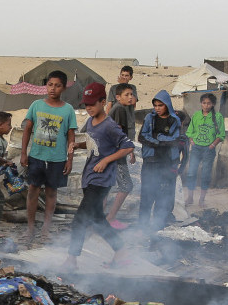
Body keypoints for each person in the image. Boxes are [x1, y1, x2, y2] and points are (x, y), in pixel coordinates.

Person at [66, 83, 132, 268]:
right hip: (90, 176)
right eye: (85, 105)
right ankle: (121, 252)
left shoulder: (109, 125)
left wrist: (106, 160)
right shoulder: (90, 122)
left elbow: (127, 147)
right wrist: (77, 146)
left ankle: (71, 260)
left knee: (80, 219)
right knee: (97, 220)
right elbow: (93, 143)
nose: (88, 108)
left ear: (103, 102)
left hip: (101, 180)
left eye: (92, 104)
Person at [20, 70, 77, 244]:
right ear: (46, 86)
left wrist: (70, 159)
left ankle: (46, 229)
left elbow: (71, 136)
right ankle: (30, 228)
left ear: (64, 87)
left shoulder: (68, 110)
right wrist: (24, 152)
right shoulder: (36, 105)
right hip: (37, 156)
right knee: (32, 191)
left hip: (57, 159)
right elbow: (28, 129)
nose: (53, 89)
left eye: (57, 85)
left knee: (52, 193)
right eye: (50, 84)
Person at [136, 90, 184, 233]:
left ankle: (158, 228)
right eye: (155, 105)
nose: (157, 108)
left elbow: (175, 140)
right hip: (150, 162)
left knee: (163, 196)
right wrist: (160, 140)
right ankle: (142, 227)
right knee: (147, 195)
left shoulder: (174, 120)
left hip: (167, 163)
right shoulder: (149, 118)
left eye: (160, 105)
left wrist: (157, 138)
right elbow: (142, 137)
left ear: (167, 105)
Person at [183, 92, 226, 208]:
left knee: (206, 174)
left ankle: (202, 199)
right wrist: (192, 141)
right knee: (191, 173)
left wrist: (212, 145)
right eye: (204, 103)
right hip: (196, 148)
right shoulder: (196, 115)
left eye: (209, 103)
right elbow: (190, 131)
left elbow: (221, 134)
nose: (206, 106)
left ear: (213, 104)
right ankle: (190, 197)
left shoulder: (217, 117)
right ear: (201, 104)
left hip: (208, 149)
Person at [105, 83, 139, 228]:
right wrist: (128, 150)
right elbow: (118, 133)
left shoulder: (121, 109)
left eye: (131, 94)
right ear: (118, 97)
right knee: (126, 185)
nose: (130, 97)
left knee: (106, 186)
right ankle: (110, 218)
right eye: (127, 95)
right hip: (116, 154)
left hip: (112, 152)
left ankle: (100, 219)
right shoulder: (119, 110)